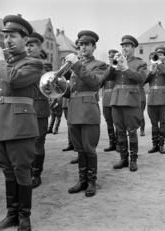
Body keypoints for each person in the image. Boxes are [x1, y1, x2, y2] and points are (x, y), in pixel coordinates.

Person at [0, 15, 43, 231]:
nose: (7, 41)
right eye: (5, 36)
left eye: (12, 36)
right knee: (7, 172)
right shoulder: (4, 64)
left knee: (22, 171)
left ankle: (24, 216)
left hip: (20, 126)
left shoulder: (34, 63)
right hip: (1, 124)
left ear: (24, 40)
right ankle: (12, 214)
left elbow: (15, 80)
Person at [63, 30, 107, 197]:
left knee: (89, 148)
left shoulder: (99, 65)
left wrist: (76, 64)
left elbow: (94, 83)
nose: (82, 47)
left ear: (94, 46)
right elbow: (72, 91)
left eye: (86, 44)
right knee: (80, 148)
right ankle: (82, 180)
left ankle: (91, 181)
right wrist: (58, 88)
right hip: (74, 110)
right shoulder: (75, 66)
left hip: (88, 110)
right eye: (80, 45)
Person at [105, 35, 147, 172]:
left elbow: (141, 79)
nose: (124, 48)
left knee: (132, 131)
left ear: (133, 48)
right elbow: (107, 78)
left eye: (127, 46)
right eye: (123, 46)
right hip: (116, 100)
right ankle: (123, 158)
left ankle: (133, 160)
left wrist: (126, 68)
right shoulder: (117, 61)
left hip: (131, 101)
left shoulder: (140, 63)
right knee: (120, 131)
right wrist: (113, 65)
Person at [25, 32, 52, 189]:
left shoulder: (44, 67)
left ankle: (36, 174)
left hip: (39, 109)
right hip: (23, 109)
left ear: (39, 47)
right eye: (27, 45)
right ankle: (26, 172)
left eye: (32, 45)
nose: (29, 48)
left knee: (38, 142)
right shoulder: (20, 63)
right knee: (25, 142)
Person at [144, 46, 165, 154]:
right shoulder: (151, 68)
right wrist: (150, 71)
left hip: (164, 100)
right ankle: (154, 145)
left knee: (162, 123)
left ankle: (161, 145)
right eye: (157, 54)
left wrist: (160, 63)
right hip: (152, 99)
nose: (159, 56)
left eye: (161, 54)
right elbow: (143, 81)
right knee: (153, 124)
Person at [102, 49, 120, 152]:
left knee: (117, 122)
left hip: (115, 97)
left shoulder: (117, 69)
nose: (110, 59)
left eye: (112, 57)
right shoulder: (105, 69)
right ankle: (111, 143)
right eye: (109, 57)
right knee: (108, 122)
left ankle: (118, 143)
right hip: (106, 99)